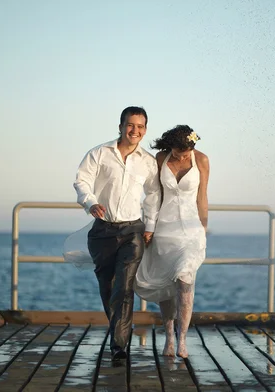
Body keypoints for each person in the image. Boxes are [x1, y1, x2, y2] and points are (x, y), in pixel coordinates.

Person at [72, 106, 161, 362]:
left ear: (145, 130)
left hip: (133, 230)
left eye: (141, 126)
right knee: (108, 287)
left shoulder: (147, 161)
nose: (135, 131)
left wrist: (151, 225)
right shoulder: (100, 153)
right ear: (121, 126)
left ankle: (119, 347)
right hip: (102, 231)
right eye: (131, 125)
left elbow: (154, 194)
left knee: (124, 288)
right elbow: (82, 180)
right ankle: (118, 334)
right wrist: (90, 202)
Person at [134, 124, 210, 358]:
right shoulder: (160, 158)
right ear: (171, 147)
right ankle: (168, 337)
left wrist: (204, 229)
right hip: (164, 231)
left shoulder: (202, 160)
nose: (182, 157)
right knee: (167, 288)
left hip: (190, 232)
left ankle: (183, 341)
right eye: (178, 153)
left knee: (185, 281)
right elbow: (155, 195)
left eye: (186, 153)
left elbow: (202, 196)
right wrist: (150, 227)